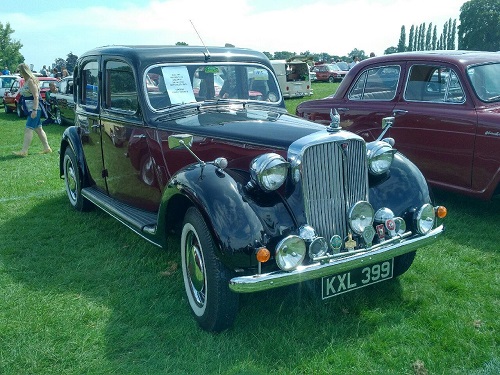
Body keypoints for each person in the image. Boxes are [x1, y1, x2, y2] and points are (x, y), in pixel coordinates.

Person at [12, 63, 52, 157]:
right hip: (31, 109)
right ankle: (47, 148)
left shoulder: (31, 81)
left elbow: (36, 96)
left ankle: (24, 151)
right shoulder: (25, 81)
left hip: (35, 109)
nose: (19, 73)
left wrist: (34, 110)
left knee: (28, 128)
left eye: (20, 71)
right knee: (39, 129)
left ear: (24, 70)